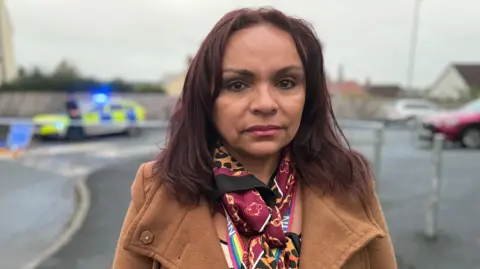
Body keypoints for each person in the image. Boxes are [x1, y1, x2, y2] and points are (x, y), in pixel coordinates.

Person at [112, 7, 397, 269]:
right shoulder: (158, 188)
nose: (265, 103)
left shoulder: (348, 182)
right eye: (237, 84)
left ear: (308, 97)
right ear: (206, 99)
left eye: (285, 83)